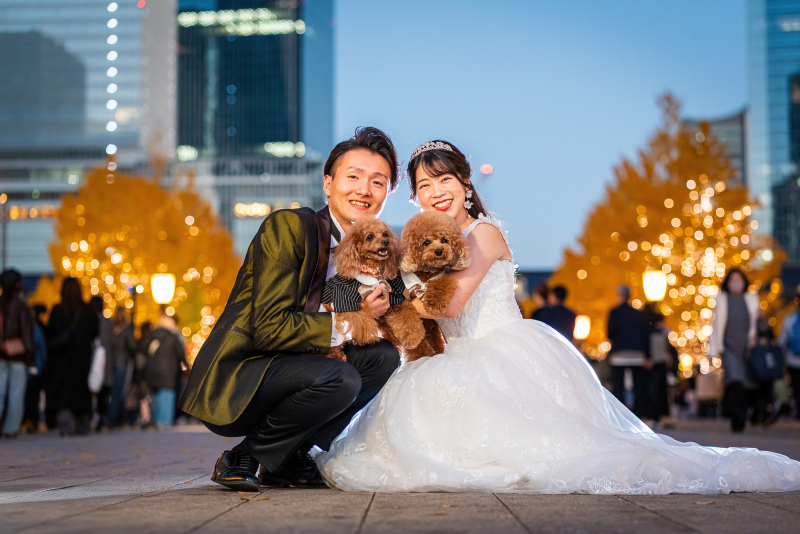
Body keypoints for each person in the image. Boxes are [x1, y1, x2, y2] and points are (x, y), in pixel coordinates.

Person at [314, 140, 800, 494]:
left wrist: (390, 300)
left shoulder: (483, 234)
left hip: (502, 353)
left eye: (445, 180)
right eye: (424, 184)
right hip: (446, 355)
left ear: (465, 184)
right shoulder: (413, 245)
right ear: (415, 197)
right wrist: (359, 296)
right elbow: (385, 286)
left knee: (550, 452)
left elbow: (450, 304)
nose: (436, 191)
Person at [179, 127, 401, 492]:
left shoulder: (374, 253)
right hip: (247, 373)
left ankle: (292, 457)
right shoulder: (289, 227)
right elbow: (269, 328)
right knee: (341, 377)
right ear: (328, 183)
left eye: (378, 182)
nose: (364, 190)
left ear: (386, 195)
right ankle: (246, 455)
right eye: (353, 177)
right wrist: (354, 319)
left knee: (383, 357)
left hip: (307, 367)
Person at [708, 268, 759, 433]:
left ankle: (743, 414)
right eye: (733, 281)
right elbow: (716, 326)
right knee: (734, 381)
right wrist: (714, 350)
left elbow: (756, 324)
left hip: (748, 349)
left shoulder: (752, 299)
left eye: (739, 280)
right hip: (729, 348)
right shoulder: (722, 300)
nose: (736, 284)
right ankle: (736, 416)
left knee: (746, 384)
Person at [47, 277, 99, 435]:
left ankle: (65, 425)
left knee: (64, 393)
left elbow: (50, 335)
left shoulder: (57, 310)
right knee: (82, 391)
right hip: (82, 359)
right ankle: (83, 423)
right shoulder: (87, 310)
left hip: (62, 360)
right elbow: (95, 331)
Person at [606, 285, 652, 418]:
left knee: (618, 386)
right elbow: (646, 335)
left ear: (619, 295)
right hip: (637, 355)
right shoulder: (639, 314)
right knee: (639, 387)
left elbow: (610, 333)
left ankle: (620, 415)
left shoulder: (614, 312)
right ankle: (638, 414)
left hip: (619, 354)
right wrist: (648, 355)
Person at [0, 270, 35, 437]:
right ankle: (11, 429)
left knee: (0, 393)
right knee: (16, 395)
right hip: (18, 356)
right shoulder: (22, 306)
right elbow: (27, 335)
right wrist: (31, 360)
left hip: (1, 355)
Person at [144, 314, 187, 428]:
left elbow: (143, 350)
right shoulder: (173, 337)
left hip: (152, 370)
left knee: (155, 394)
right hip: (169, 371)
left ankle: (156, 420)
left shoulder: (151, 335)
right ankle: (164, 421)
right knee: (167, 394)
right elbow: (181, 354)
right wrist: (186, 366)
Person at [644, 304, 676, 425]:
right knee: (660, 390)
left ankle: (654, 415)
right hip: (660, 362)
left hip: (654, 362)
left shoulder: (650, 332)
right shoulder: (662, 332)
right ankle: (661, 415)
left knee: (654, 389)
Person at [107, 306, 136, 427]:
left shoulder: (111, 328)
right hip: (122, 363)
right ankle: (113, 418)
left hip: (111, 362)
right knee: (119, 391)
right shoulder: (126, 330)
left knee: (114, 391)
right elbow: (132, 346)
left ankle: (114, 417)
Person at [22, 304, 48, 432]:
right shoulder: (36, 329)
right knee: (33, 397)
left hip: (24, 367)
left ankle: (24, 421)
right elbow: (43, 351)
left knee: (23, 396)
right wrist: (42, 365)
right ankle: (32, 421)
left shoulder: (21, 329)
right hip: (35, 368)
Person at [779, 294, 800, 420]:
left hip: (792, 360)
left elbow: (782, 340)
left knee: (796, 388)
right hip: (793, 361)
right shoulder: (790, 318)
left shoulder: (789, 319)